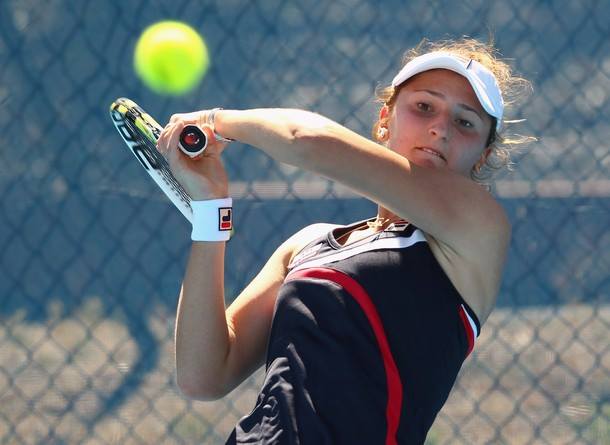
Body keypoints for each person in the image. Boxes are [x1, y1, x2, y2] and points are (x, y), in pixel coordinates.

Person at [157, 37, 532, 445]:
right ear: (385, 119)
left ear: (483, 155)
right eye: (424, 107)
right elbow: (204, 375)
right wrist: (210, 211)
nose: (440, 128)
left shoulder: (479, 229)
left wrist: (215, 121)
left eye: (465, 123)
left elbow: (307, 141)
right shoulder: (308, 244)